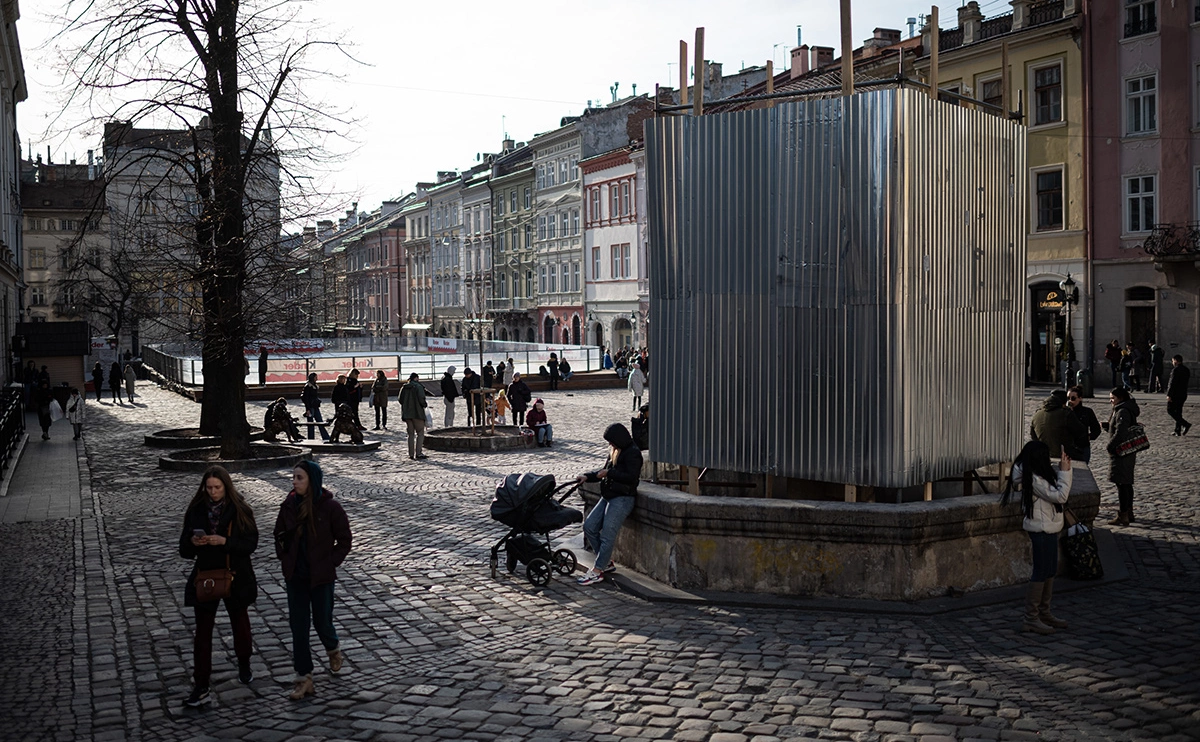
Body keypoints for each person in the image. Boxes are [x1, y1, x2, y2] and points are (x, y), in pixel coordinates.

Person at [180, 465, 258, 707]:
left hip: (235, 575)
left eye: (217, 488)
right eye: (209, 487)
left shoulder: (240, 509)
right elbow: (183, 549)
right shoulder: (196, 510)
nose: (213, 492)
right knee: (202, 633)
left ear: (226, 487)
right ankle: (201, 684)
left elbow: (250, 544)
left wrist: (225, 541)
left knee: (240, 624)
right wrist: (195, 542)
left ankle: (244, 662)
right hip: (206, 575)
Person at [274, 460, 352, 701]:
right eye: (294, 477)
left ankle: (333, 648)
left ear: (312, 481)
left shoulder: (330, 508)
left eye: (300, 478)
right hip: (296, 576)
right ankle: (304, 677)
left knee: (322, 622)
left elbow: (345, 540)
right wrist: (285, 557)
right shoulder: (288, 505)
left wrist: (331, 562)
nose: (294, 482)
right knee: (299, 627)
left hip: (321, 577)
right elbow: (278, 534)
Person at [1003, 441, 1072, 636]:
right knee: (1041, 571)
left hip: (1048, 526)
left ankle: (1044, 613)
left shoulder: (1035, 474)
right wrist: (1065, 472)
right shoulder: (1033, 478)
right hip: (1040, 528)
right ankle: (1031, 618)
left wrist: (1062, 470)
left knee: (1049, 569)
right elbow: (1060, 496)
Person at [575, 423, 643, 585]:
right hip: (608, 495)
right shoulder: (615, 450)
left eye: (611, 441)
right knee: (589, 527)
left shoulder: (633, 453)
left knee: (607, 535)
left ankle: (598, 570)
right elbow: (603, 471)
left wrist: (609, 473)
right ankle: (605, 562)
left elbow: (631, 477)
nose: (610, 445)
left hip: (622, 498)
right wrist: (587, 476)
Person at [1104, 387, 1141, 526]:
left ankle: (1123, 514)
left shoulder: (1122, 411)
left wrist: (1110, 446)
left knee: (1122, 484)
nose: (1110, 401)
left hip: (1121, 452)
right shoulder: (1125, 409)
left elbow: (1121, 431)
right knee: (1127, 483)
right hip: (1127, 451)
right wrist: (1108, 427)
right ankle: (1129, 512)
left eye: (1112, 398)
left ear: (1120, 398)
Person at [1029, 389, 1086, 460]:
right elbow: (1081, 431)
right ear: (1064, 403)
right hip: (1064, 455)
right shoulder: (1065, 414)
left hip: (1043, 454)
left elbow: (1033, 435)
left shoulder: (1037, 414)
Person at [1065, 386, 1100, 464]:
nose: (1070, 401)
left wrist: (1088, 437)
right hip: (1068, 446)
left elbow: (1096, 429)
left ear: (1080, 398)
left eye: (1073, 398)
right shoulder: (1064, 412)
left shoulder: (1087, 412)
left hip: (1082, 447)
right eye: (1068, 398)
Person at [399, 372, 429, 460]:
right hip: (417, 413)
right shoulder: (418, 387)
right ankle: (419, 453)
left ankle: (411, 454)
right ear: (416, 378)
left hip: (407, 414)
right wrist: (424, 405)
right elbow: (421, 399)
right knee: (420, 433)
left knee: (410, 434)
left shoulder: (404, 387)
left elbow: (400, 399)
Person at [1166, 355, 1191, 437]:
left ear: (1176, 361)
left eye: (1173, 361)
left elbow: (1172, 383)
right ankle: (1177, 430)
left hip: (1175, 395)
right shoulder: (1186, 370)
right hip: (1183, 394)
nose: (1172, 362)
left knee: (1170, 410)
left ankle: (1185, 424)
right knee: (1178, 412)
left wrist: (1169, 395)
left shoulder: (1175, 370)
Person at [301, 373, 328, 441]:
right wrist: (307, 408)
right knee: (311, 423)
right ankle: (311, 438)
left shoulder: (312, 386)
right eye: (316, 377)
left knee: (319, 422)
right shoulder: (308, 387)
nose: (317, 379)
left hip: (315, 406)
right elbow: (306, 398)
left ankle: (324, 437)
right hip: (310, 407)